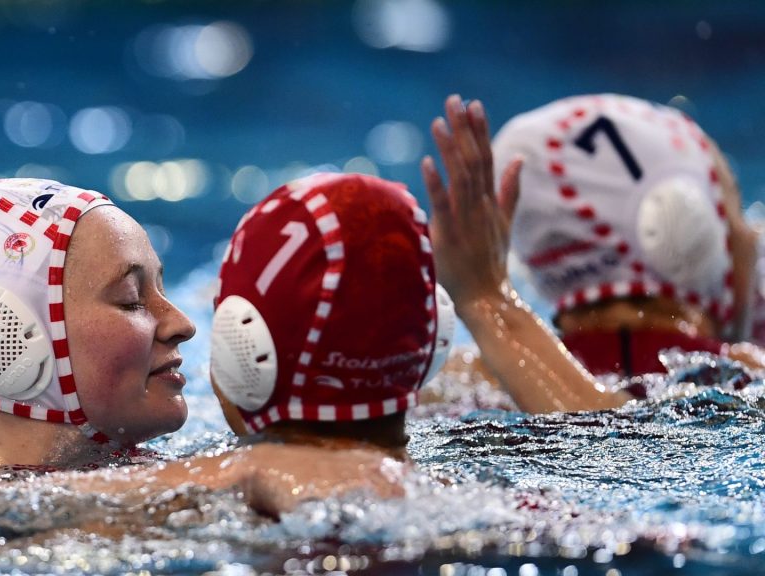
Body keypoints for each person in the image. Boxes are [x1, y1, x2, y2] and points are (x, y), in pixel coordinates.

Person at [32, 95, 628, 518]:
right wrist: (489, 297)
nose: (184, 325)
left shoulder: (203, 495)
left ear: (245, 350)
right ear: (433, 345)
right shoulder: (511, 509)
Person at [0, 178, 196, 476]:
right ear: (11, 338)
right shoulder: (0, 514)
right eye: (131, 299)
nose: (183, 324)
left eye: (161, 290)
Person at [490, 94, 765, 385]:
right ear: (690, 231)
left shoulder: (485, 379)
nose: (749, 237)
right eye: (735, 209)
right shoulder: (745, 375)